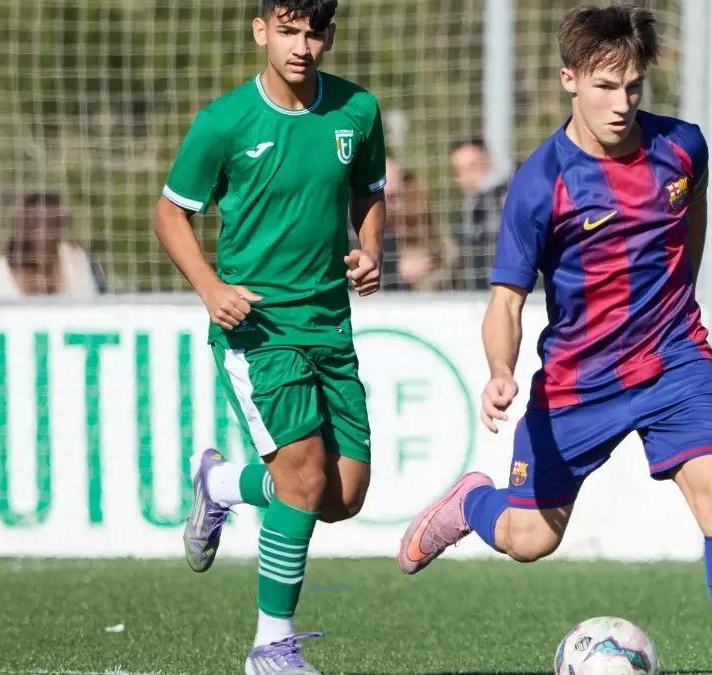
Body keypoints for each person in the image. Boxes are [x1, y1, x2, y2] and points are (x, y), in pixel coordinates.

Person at [396, 5, 712, 674]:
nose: (621, 103)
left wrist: (680, 294)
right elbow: (506, 301)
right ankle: (471, 501)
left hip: (674, 361)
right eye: (604, 86)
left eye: (633, 86)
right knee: (530, 537)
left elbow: (694, 214)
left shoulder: (684, 146)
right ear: (570, 79)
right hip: (579, 382)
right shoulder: (541, 184)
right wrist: (500, 369)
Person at [152, 1, 387, 671]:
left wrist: (370, 249)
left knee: (341, 494)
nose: (302, 46)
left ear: (329, 35)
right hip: (257, 326)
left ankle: (221, 483)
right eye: (288, 30)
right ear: (262, 31)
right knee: (305, 475)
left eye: (314, 32)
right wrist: (211, 288)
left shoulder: (357, 111)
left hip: (329, 325)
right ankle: (270, 646)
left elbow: (368, 193)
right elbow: (171, 214)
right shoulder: (223, 122)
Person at [0, 192, 105, 298]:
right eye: (35, 224)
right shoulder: (1, 271)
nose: (44, 232)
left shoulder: (81, 262)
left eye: (52, 223)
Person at [378, 159, 457, 292]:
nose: (396, 204)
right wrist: (397, 269)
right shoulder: (364, 233)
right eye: (391, 197)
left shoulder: (439, 243)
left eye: (399, 196)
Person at [449, 137, 509, 290]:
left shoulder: (505, 196)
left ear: (490, 162)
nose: (467, 177)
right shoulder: (470, 205)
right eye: (459, 171)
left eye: (473, 167)